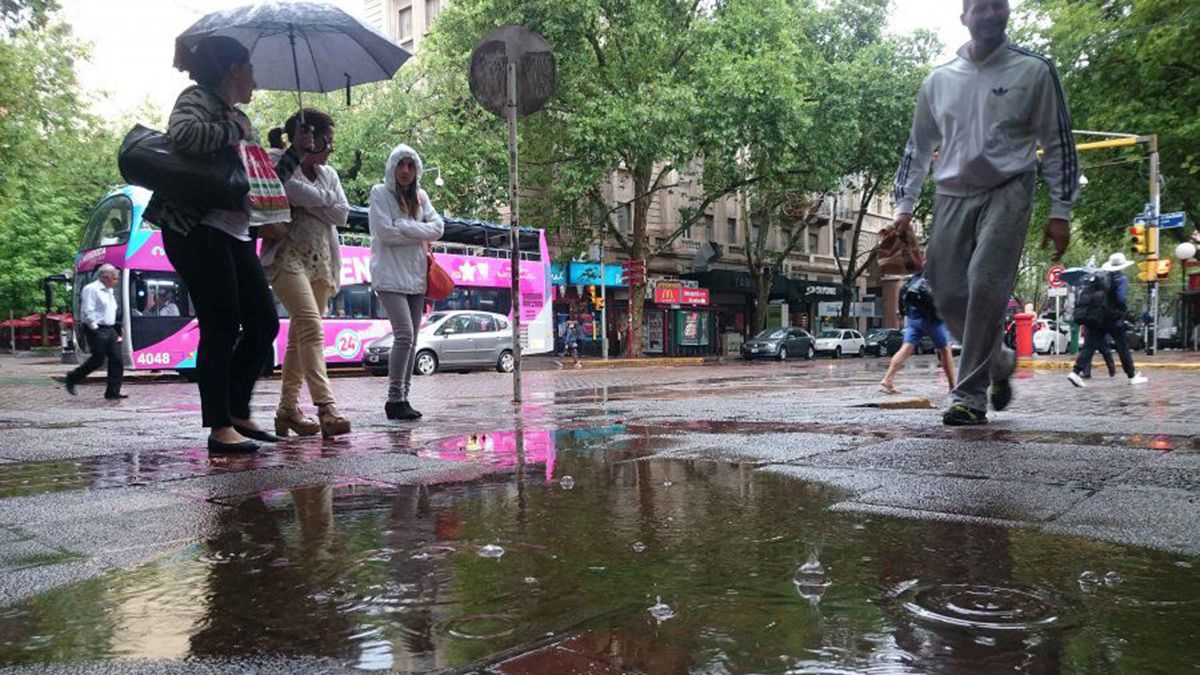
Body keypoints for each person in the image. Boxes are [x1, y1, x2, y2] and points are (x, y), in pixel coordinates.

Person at [890, 0, 1078, 425]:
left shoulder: (1034, 71)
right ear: (964, 17)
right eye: (980, 7)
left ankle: (969, 397)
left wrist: (1060, 210)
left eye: (998, 6)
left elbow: (1058, 141)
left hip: (1009, 187)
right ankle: (998, 363)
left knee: (985, 285)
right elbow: (917, 146)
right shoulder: (939, 80)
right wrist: (904, 206)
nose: (991, 14)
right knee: (946, 290)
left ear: (1006, 12)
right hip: (952, 193)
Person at [142, 35, 314, 453]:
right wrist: (231, 128)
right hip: (197, 229)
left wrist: (296, 153)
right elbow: (183, 137)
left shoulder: (238, 116)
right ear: (234, 70)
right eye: (250, 71)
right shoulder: (196, 100)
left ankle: (238, 412)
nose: (255, 79)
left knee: (262, 324)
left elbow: (259, 182)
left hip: (236, 233)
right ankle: (220, 427)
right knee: (220, 325)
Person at [262, 109, 352, 438]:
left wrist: (311, 200)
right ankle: (326, 407)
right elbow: (285, 189)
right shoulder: (279, 160)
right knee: (312, 327)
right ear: (309, 138)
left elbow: (342, 213)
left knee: (299, 339)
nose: (330, 148)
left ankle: (286, 411)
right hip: (286, 256)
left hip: (322, 260)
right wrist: (320, 203)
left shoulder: (329, 175)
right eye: (326, 140)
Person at [369, 144, 444, 421]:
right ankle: (394, 398)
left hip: (416, 277)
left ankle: (404, 398)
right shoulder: (379, 193)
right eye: (401, 165)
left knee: (412, 340)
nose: (405, 171)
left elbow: (438, 228)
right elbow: (385, 233)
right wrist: (417, 232)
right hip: (389, 276)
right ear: (392, 167)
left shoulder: (421, 197)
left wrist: (404, 226)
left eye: (411, 166)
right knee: (404, 335)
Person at [1068, 253, 1147, 387]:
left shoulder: (1101, 277)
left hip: (1097, 317)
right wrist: (1123, 310)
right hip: (1113, 318)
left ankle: (1075, 372)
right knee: (1122, 347)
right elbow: (1121, 298)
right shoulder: (1120, 278)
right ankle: (1132, 376)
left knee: (1089, 346)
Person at [880, 272, 957, 394]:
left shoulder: (912, 279)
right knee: (945, 350)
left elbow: (903, 299)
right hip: (932, 320)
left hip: (913, 319)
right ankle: (952, 386)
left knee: (905, 349)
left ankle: (888, 378)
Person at [65, 264, 125, 399]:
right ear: (105, 277)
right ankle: (72, 378)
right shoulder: (91, 289)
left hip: (110, 328)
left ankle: (113, 391)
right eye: (114, 278)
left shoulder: (109, 290)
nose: (116, 281)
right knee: (97, 359)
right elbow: (87, 311)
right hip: (97, 328)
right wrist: (95, 328)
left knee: (117, 360)